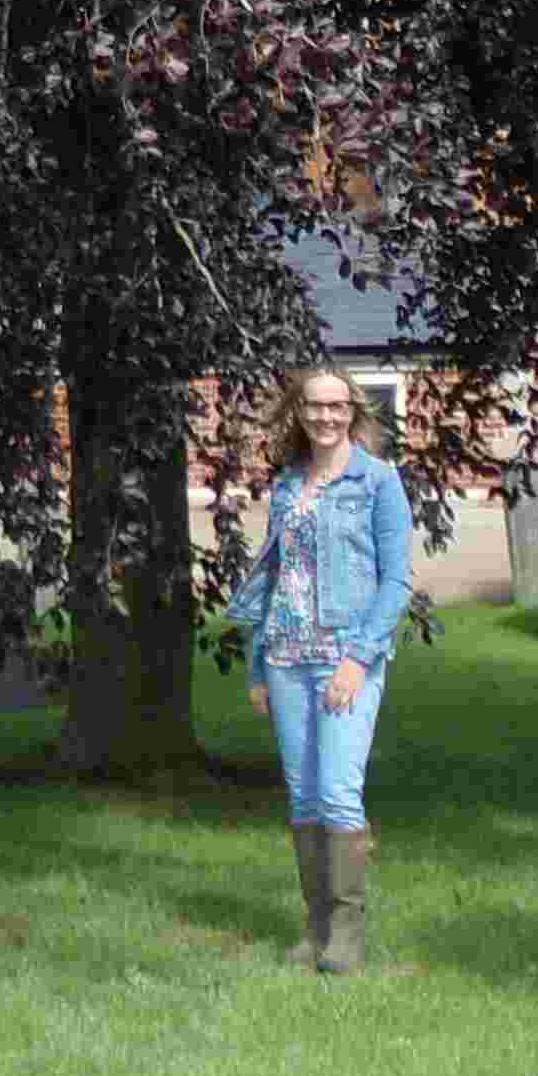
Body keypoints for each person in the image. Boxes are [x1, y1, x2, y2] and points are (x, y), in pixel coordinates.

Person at [227, 363, 413, 974]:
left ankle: (349, 935)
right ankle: (316, 931)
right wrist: (257, 665)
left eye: (337, 407)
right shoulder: (288, 484)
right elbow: (276, 578)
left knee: (337, 791)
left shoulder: (378, 481)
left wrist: (359, 659)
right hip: (285, 657)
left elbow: (397, 583)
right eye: (315, 407)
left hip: (342, 658)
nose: (326, 417)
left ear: (354, 412)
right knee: (304, 795)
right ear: (299, 413)